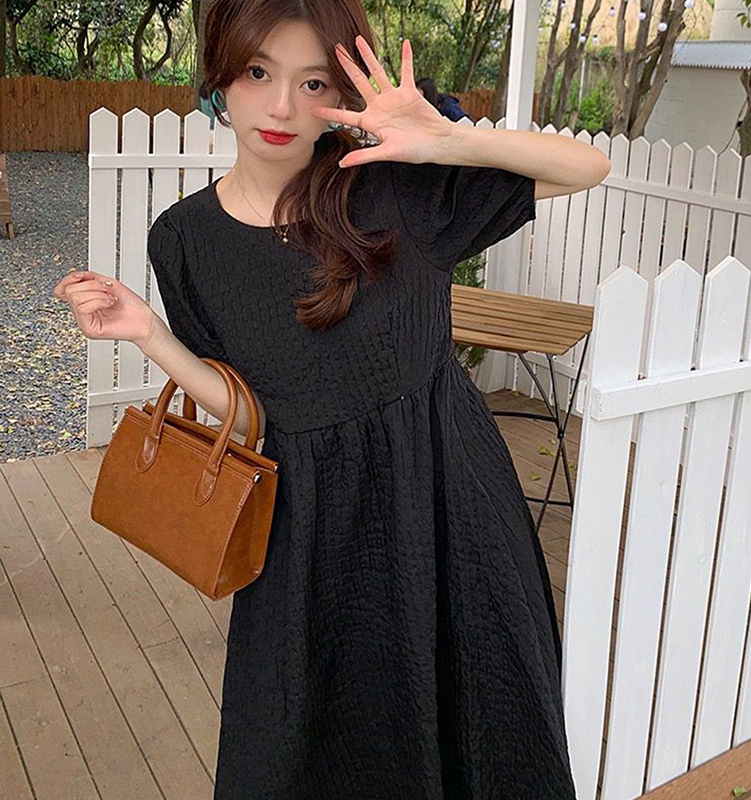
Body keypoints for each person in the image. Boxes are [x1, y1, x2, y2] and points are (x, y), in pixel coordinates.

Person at [53, 1, 610, 796]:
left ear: (341, 94)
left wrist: (449, 141)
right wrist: (150, 335)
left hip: (450, 508)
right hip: (309, 539)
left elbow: (587, 168)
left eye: (313, 82)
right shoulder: (183, 240)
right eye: (258, 72)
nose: (282, 107)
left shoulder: (395, 190)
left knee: (484, 737)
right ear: (219, 77)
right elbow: (249, 416)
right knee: (312, 754)